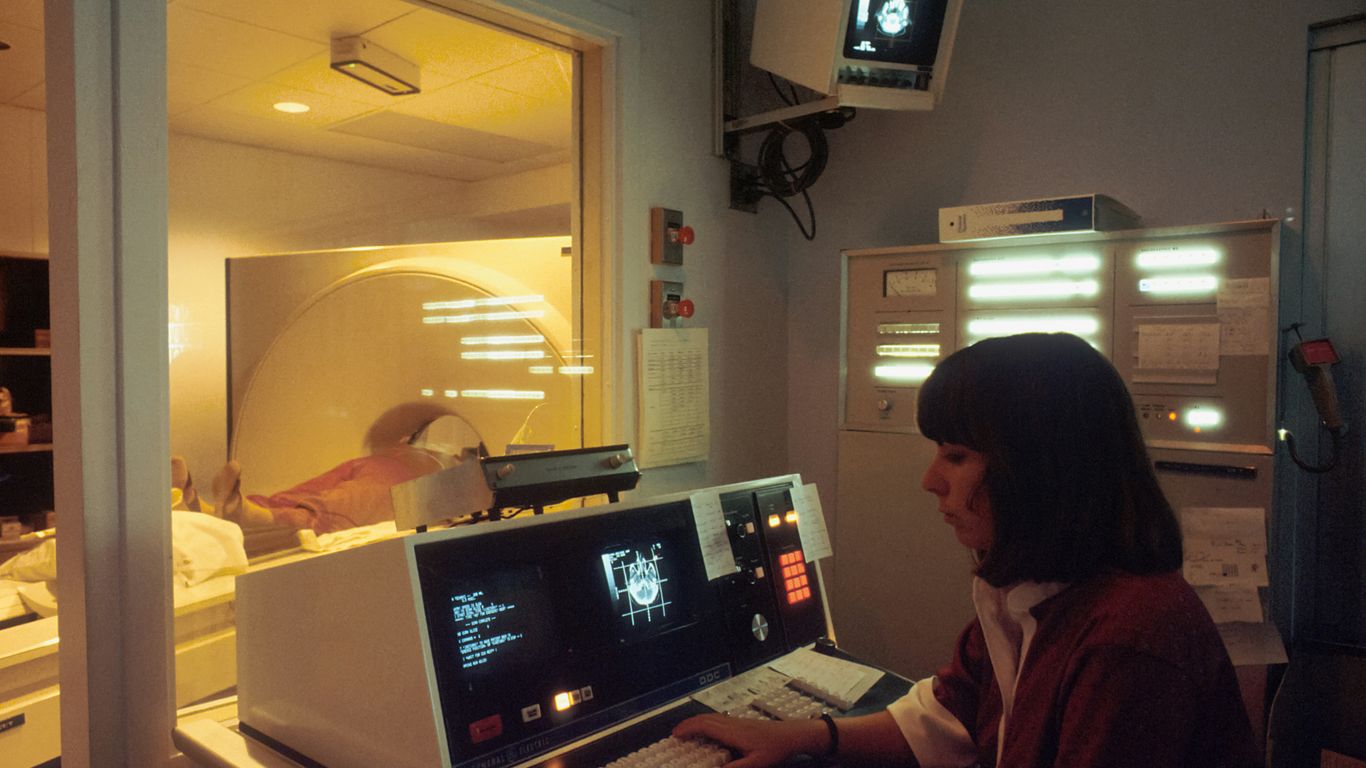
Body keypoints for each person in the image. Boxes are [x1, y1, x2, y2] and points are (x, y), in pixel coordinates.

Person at [674, 333, 1259, 767]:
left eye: (955, 456)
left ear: (1038, 470)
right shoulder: (1028, 591)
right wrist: (803, 736)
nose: (931, 481)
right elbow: (950, 716)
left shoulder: (1128, 640)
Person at [172, 408, 487, 535]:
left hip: (406, 470)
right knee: (322, 499)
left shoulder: (460, 470)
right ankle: (223, 511)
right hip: (397, 467)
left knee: (329, 500)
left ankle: (231, 513)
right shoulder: (456, 463)